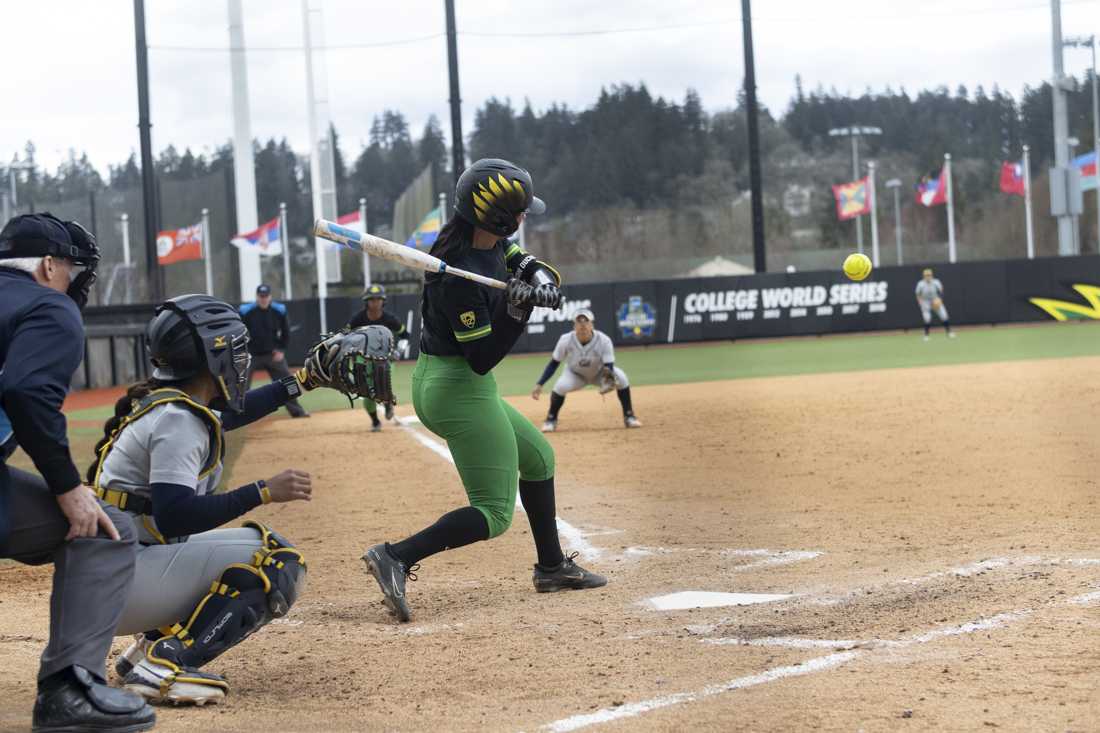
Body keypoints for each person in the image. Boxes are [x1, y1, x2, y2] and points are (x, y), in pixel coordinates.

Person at [362, 158, 606, 624]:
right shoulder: (457, 276)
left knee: (538, 459)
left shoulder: (489, 243)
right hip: (456, 387)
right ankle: (395, 555)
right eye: (519, 212)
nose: (523, 219)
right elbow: (482, 358)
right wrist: (518, 313)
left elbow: (522, 260)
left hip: (463, 384)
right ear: (496, 215)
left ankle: (552, 567)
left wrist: (540, 281)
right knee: (494, 512)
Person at [0, 213, 156, 732]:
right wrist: (69, 488)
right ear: (47, 266)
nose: (72, 281)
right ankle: (70, 689)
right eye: (70, 268)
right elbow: (25, 391)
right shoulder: (48, 305)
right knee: (104, 529)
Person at [531, 308, 642, 432]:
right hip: (575, 375)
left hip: (599, 373)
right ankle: (551, 420)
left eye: (586, 321)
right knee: (560, 386)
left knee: (622, 378)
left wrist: (607, 381)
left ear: (592, 324)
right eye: (579, 321)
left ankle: (629, 416)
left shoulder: (604, 340)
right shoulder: (565, 340)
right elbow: (554, 364)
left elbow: (609, 365)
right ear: (574, 325)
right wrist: (540, 384)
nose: (582, 324)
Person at [345, 283, 409, 430]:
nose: (375, 302)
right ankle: (375, 421)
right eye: (372, 299)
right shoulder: (358, 319)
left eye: (378, 299)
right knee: (365, 391)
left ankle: (387, 404)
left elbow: (405, 335)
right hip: (363, 359)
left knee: (382, 384)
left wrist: (399, 351)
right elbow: (345, 335)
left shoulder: (390, 319)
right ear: (366, 301)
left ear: (383, 301)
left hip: (385, 359)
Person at [240, 284, 309, 418]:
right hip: (251, 355)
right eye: (261, 296)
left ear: (270, 296)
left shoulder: (279, 310)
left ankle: (297, 411)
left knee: (289, 382)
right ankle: (237, 415)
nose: (263, 299)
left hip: (273, 354)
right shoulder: (245, 311)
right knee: (240, 386)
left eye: (266, 296)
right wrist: (243, 352)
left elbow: (286, 332)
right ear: (257, 297)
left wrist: (281, 350)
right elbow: (239, 333)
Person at [915, 268, 955, 341]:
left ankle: (949, 332)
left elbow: (941, 291)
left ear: (932, 275)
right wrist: (920, 302)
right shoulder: (920, 284)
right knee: (927, 318)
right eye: (926, 275)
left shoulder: (936, 282)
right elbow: (918, 294)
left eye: (929, 275)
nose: (928, 277)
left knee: (944, 315)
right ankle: (926, 335)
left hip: (935, 299)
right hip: (925, 301)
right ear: (923, 276)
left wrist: (939, 299)